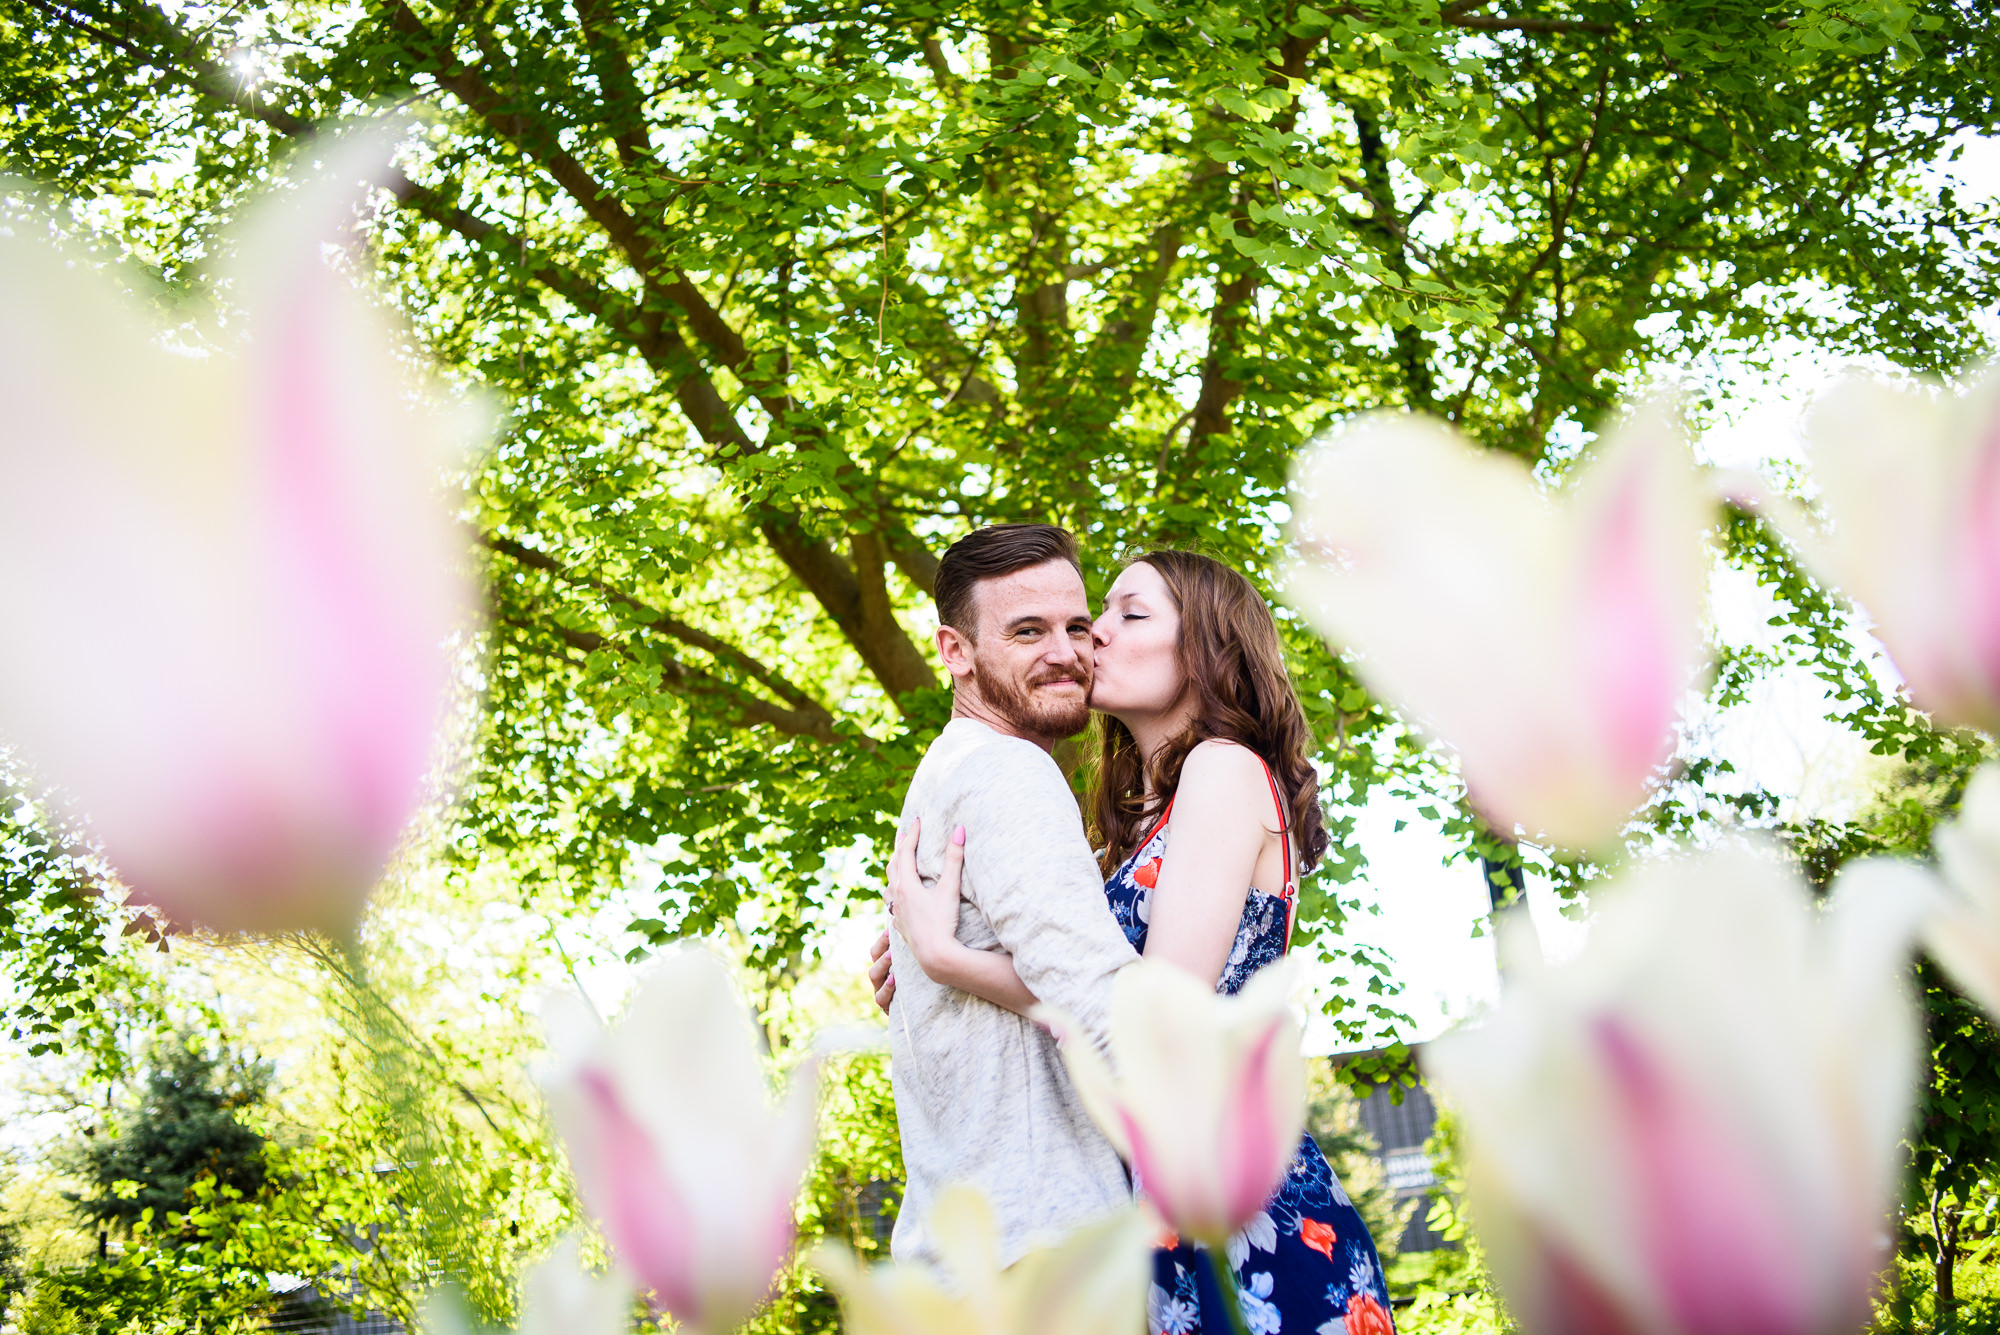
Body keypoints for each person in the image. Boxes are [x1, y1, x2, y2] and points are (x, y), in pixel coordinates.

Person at [873, 550, 1396, 1335]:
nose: (1093, 639)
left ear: (1205, 651)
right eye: (1097, 617)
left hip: (1232, 1201)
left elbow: (1159, 1013)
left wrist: (950, 961)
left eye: (1125, 616)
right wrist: (927, 964)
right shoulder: (1131, 825)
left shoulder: (1223, 771)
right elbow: (1071, 974)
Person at [877, 522, 1143, 1271]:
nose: (1065, 652)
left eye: (1076, 626)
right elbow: (1098, 998)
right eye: (1028, 630)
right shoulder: (1008, 773)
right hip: (1042, 1249)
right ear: (954, 651)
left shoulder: (949, 774)